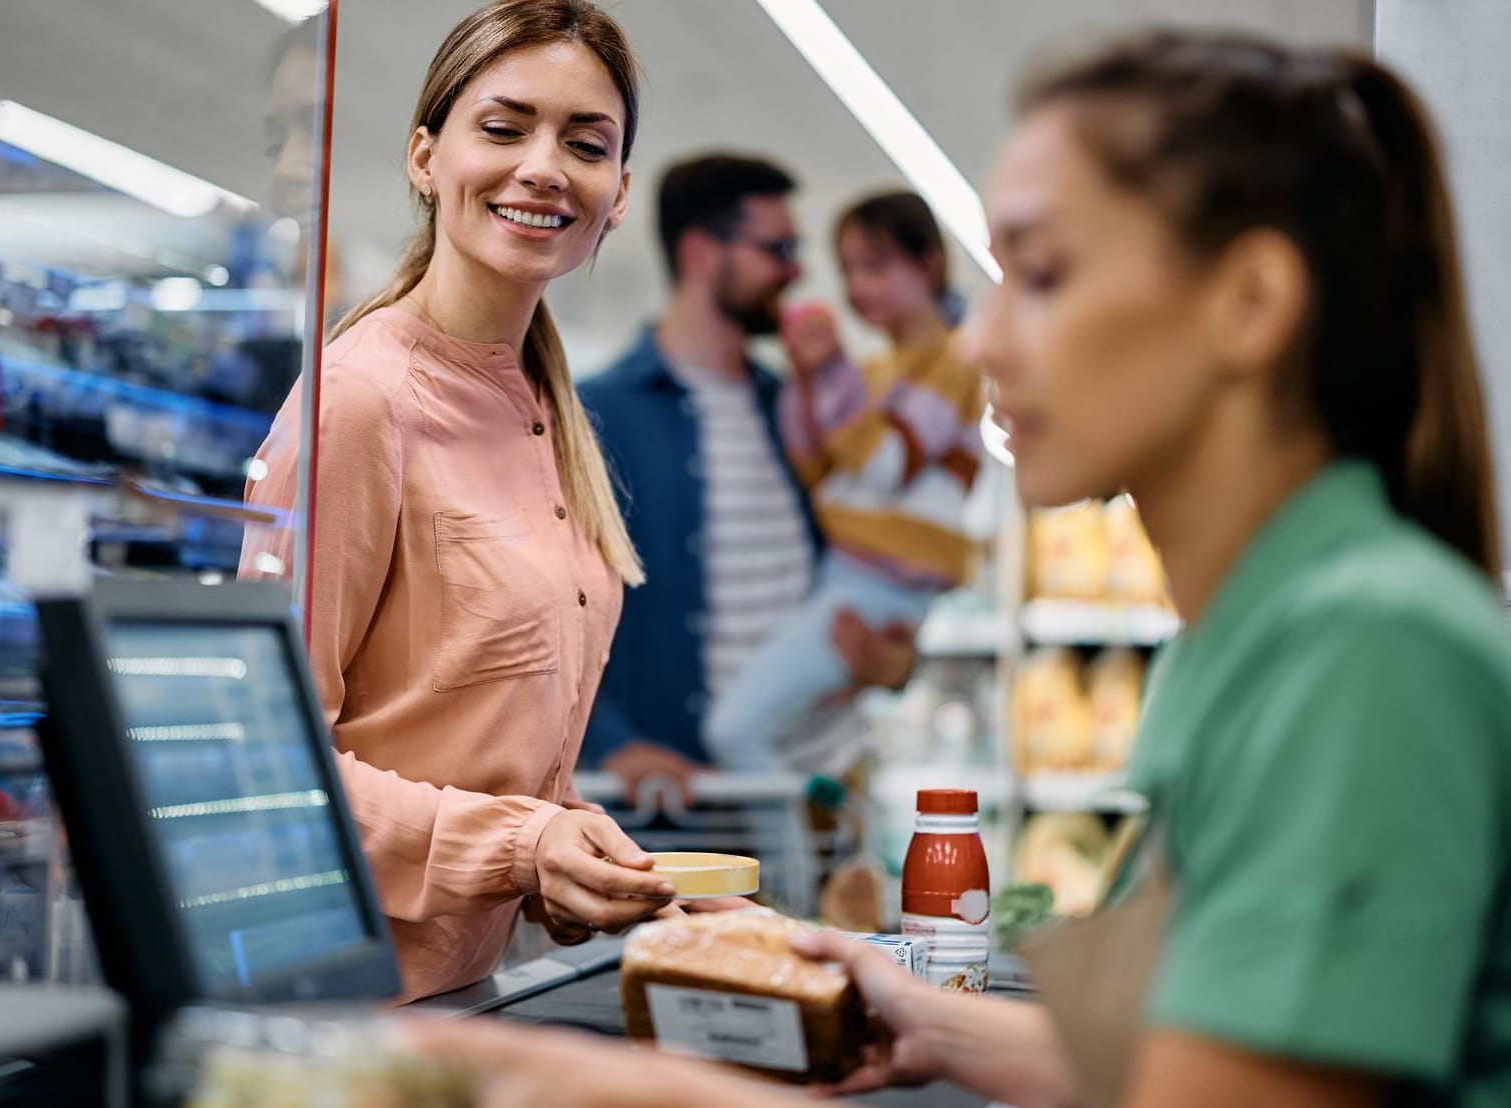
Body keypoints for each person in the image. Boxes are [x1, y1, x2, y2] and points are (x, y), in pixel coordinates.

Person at [401, 28, 1511, 1106]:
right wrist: (934, 1018)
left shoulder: (1362, 651)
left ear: (1249, 304)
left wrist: (586, 1088)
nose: (979, 342)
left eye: (1040, 273)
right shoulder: (1271, 632)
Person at [242, 0, 678, 1003]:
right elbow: (271, 769)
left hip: (470, 1000)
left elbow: (473, 744)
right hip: (340, 1012)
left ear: (616, 195)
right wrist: (525, 845)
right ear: (425, 156)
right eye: (503, 126)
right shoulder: (359, 402)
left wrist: (579, 867)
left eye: (585, 143)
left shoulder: (545, 409)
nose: (543, 166)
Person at [580, 155, 916, 799]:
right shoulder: (596, 416)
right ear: (704, 254)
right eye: (778, 248)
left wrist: (894, 659)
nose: (795, 272)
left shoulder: (793, 405)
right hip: (690, 817)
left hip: (821, 795)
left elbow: (862, 563)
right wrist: (610, 743)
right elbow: (541, 619)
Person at [704, 190, 990, 772]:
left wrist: (830, 375)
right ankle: (804, 837)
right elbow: (816, 468)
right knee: (771, 732)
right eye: (848, 270)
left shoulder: (954, 364)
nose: (857, 286)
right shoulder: (874, 373)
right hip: (851, 579)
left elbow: (884, 466)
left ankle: (792, 856)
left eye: (876, 264)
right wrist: (810, 383)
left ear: (929, 263)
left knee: (734, 731)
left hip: (876, 586)